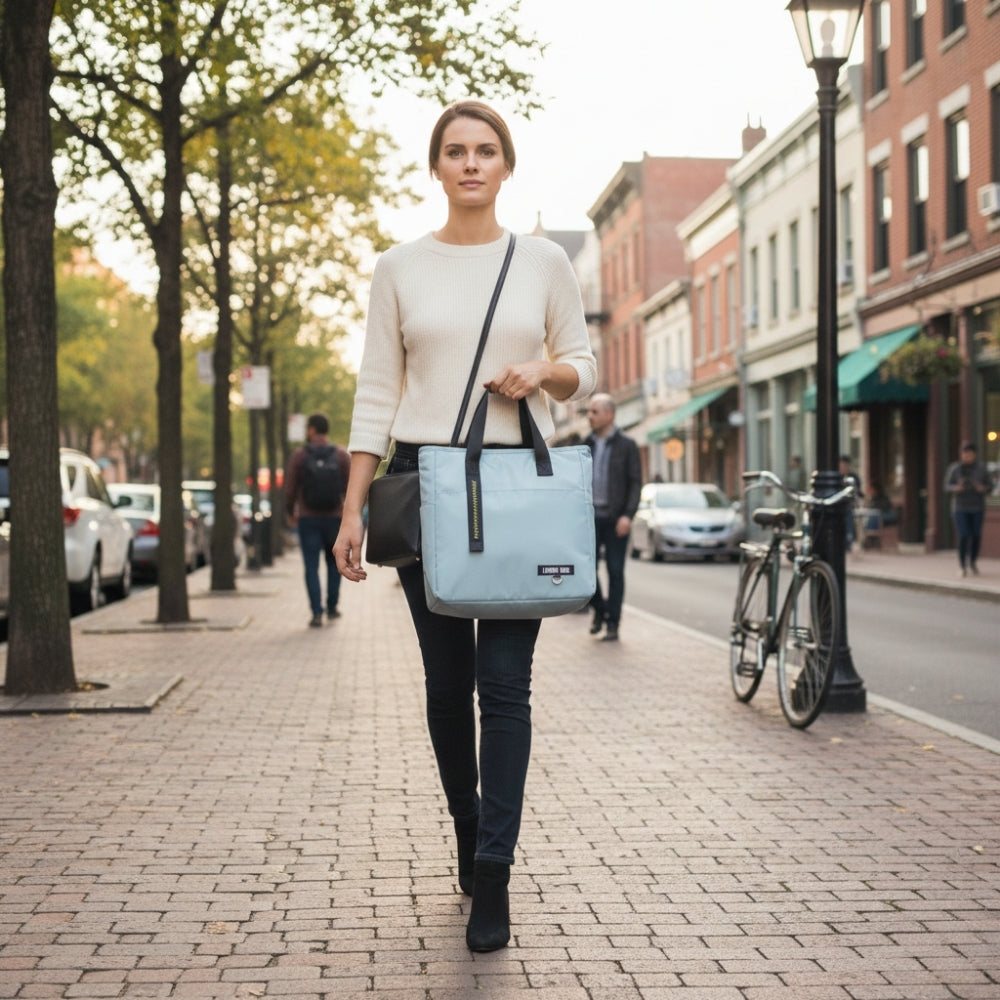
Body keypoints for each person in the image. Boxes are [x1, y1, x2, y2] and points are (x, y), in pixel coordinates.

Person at [332, 100, 597, 953]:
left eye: (486, 150)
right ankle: (466, 822)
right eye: (456, 151)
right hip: (424, 487)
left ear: (506, 165)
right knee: (447, 687)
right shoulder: (399, 267)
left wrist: (542, 370)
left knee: (505, 686)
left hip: (516, 485)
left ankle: (494, 871)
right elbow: (377, 391)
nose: (472, 163)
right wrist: (351, 509)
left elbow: (585, 368)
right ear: (437, 166)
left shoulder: (544, 261)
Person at [284, 413, 351, 627]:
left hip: (308, 518)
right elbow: (350, 488)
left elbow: (290, 489)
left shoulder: (300, 455)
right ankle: (332, 607)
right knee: (335, 563)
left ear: (312, 429)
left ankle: (316, 612)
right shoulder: (341, 455)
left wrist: (290, 512)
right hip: (335, 518)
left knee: (311, 567)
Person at [585, 394, 642, 642]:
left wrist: (628, 515)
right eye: (589, 411)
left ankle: (613, 624)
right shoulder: (585, 443)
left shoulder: (627, 445)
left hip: (616, 519)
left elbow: (635, 482)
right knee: (586, 570)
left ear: (610, 414)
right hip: (589, 518)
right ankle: (600, 609)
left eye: (595, 411)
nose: (590, 416)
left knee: (615, 571)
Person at [944, 441, 990, 577]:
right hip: (960, 508)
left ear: (974, 455)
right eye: (964, 454)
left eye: (969, 454)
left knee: (976, 535)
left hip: (977, 507)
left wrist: (983, 488)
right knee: (963, 535)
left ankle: (973, 561)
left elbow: (990, 485)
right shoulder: (955, 469)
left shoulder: (981, 469)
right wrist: (956, 488)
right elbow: (947, 486)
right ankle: (962, 565)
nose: (966, 457)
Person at [839, 454, 862, 552]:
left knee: (849, 522)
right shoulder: (837, 477)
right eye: (841, 465)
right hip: (838, 505)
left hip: (849, 505)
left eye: (844, 465)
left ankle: (848, 542)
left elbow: (858, 491)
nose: (843, 467)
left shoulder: (853, 477)